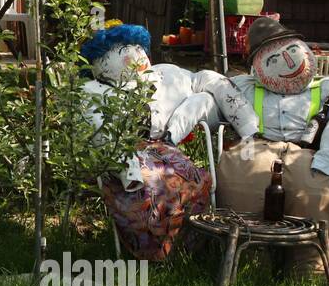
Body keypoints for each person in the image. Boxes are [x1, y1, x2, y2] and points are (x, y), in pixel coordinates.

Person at [82, 22, 257, 260]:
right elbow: (102, 131)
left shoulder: (167, 75)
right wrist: (127, 169)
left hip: (165, 146)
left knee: (195, 179)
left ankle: (189, 247)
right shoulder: (95, 92)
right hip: (126, 153)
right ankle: (158, 252)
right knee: (151, 186)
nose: (136, 56)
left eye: (138, 48)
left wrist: (248, 127)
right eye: (124, 53)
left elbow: (212, 82)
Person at [218, 18, 329, 274]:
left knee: (314, 192)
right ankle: (250, 266)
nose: (287, 62)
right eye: (272, 58)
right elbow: (212, 101)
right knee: (240, 187)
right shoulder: (240, 87)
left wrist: (328, 160)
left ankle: (309, 272)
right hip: (256, 148)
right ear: (257, 64)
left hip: (312, 153)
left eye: (291, 51)